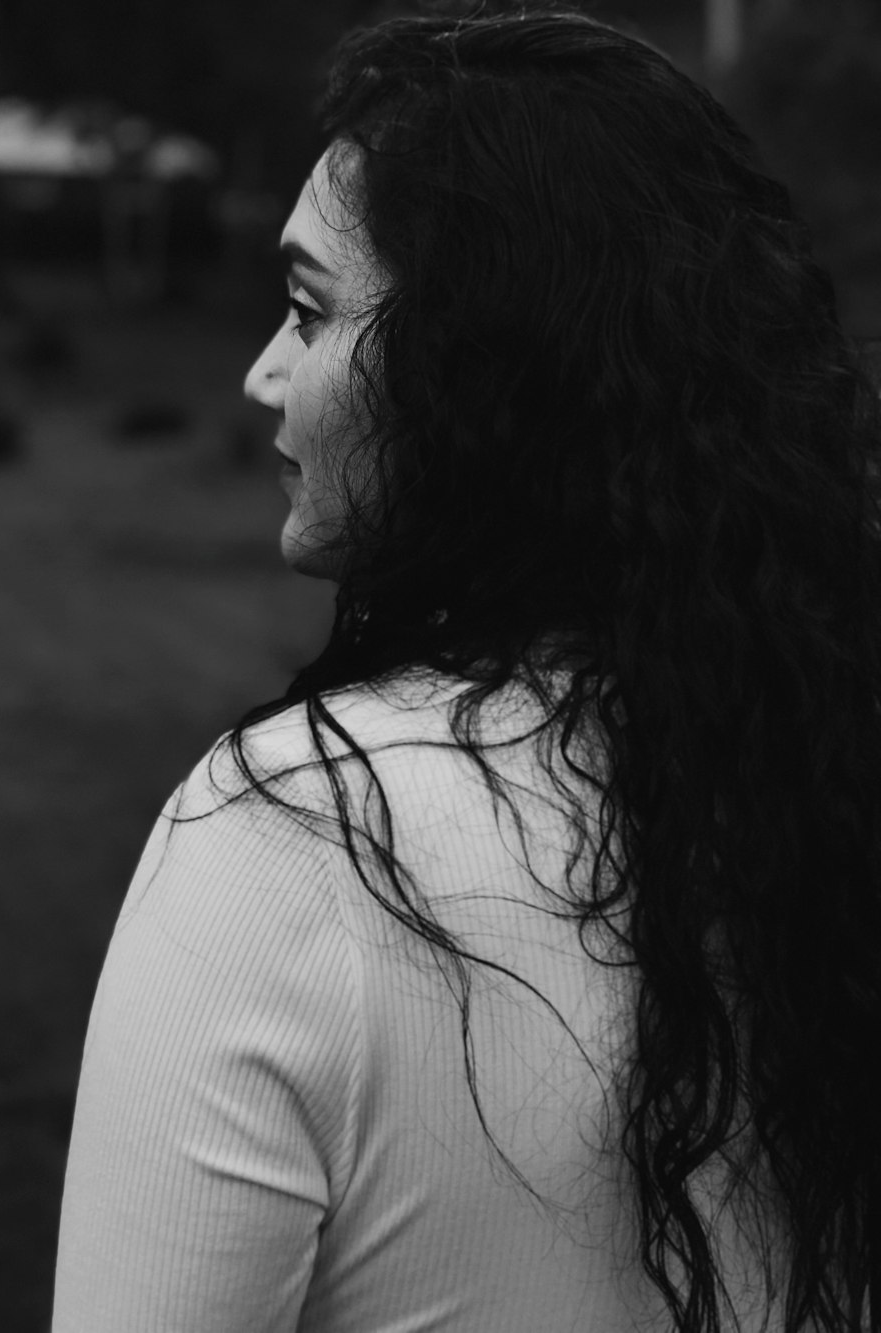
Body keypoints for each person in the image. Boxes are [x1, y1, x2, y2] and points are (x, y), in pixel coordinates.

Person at [51, 4, 881, 1330]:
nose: (264, 374)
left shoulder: (289, 838)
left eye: (312, 312)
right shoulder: (815, 775)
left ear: (477, 371)